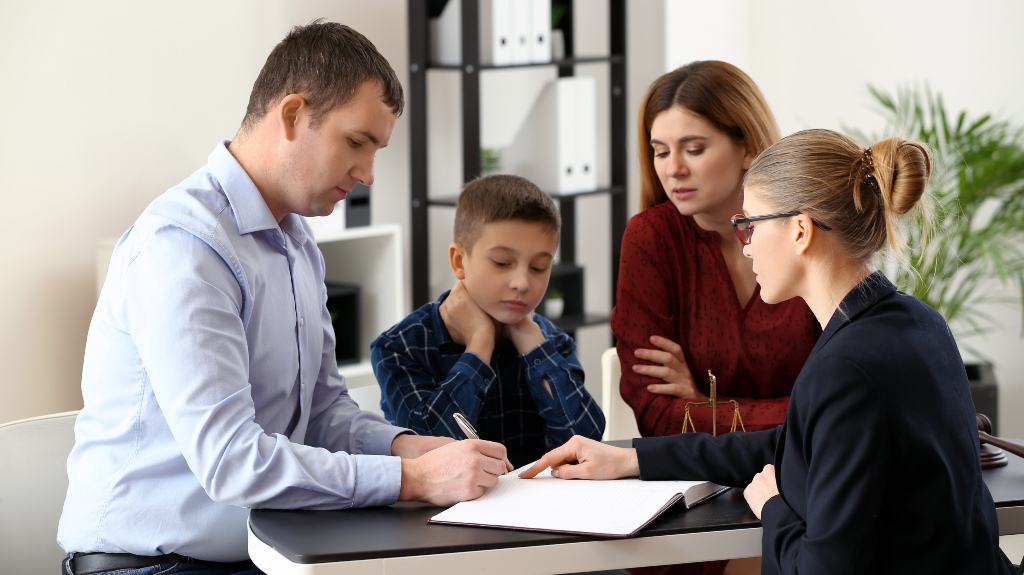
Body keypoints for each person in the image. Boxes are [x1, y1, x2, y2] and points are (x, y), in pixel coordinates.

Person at [58, 21, 512, 575]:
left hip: (262, 552)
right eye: (357, 143)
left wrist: (404, 448)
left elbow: (321, 414)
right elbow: (231, 463)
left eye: (376, 150)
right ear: (293, 114)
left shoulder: (296, 244)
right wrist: (410, 479)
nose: (368, 174)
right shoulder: (184, 249)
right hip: (149, 566)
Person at [523, 129, 1016, 574]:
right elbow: (793, 444)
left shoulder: (844, 369)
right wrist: (631, 459)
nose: (747, 246)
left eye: (752, 225)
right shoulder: (920, 322)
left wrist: (773, 507)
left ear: (800, 230)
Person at [613, 61, 819, 443]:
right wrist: (772, 417)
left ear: (748, 148)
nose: (673, 169)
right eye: (661, 152)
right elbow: (656, 415)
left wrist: (704, 405)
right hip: (696, 473)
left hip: (806, 468)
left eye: (694, 149)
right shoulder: (650, 239)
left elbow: (838, 407)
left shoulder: (807, 232)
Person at [371, 174, 606, 467]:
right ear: (459, 261)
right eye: (502, 263)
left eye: (538, 267)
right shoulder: (400, 347)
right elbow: (429, 451)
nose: (522, 283)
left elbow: (586, 443)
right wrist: (479, 343)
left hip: (535, 496)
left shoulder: (551, 343)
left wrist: (533, 346)